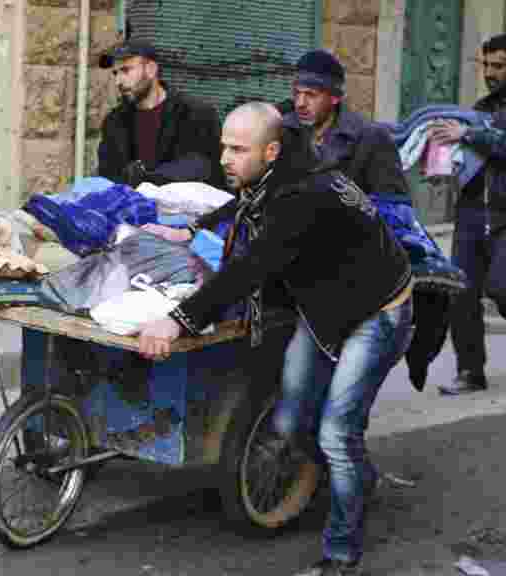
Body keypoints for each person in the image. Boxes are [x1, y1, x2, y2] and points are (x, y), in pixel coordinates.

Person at [138, 102, 414, 575]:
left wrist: (178, 320)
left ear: (270, 151)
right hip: (326, 306)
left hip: (378, 311)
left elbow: (251, 268)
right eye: (223, 147)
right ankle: (356, 477)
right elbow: (242, 202)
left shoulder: (301, 196)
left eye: (237, 150)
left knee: (336, 433)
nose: (225, 159)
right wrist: (192, 230)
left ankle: (341, 554)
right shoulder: (277, 174)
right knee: (290, 422)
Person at [427, 33, 506, 392]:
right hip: (471, 211)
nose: (490, 73)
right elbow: (470, 156)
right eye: (486, 65)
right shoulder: (479, 107)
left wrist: (467, 134)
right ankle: (470, 371)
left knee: (503, 287)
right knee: (461, 293)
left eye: (499, 66)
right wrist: (442, 164)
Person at [97, 39, 225, 188]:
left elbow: (204, 170)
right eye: (115, 73)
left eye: (125, 70)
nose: (118, 81)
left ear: (151, 69)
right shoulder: (114, 122)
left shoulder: (194, 113)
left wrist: (145, 177)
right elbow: (108, 176)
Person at [283, 49, 409, 198]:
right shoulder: (283, 129)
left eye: (311, 95)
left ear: (335, 98)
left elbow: (394, 205)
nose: (300, 103)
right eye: (297, 93)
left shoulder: (372, 138)